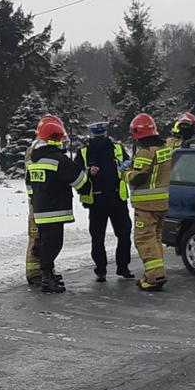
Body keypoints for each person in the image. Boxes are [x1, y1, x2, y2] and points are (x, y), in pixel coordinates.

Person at [26, 118, 88, 293]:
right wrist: (88, 187)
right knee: (53, 245)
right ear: (55, 139)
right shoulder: (59, 160)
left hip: (39, 210)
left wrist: (35, 201)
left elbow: (30, 185)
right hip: (55, 211)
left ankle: (49, 275)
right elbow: (80, 180)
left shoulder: (33, 160)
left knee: (46, 243)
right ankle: (47, 279)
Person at [124, 113, 176, 292]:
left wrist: (125, 173)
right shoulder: (164, 148)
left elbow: (138, 177)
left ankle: (154, 277)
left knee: (144, 239)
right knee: (155, 239)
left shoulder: (145, 151)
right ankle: (155, 273)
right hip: (161, 203)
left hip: (146, 205)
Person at [77, 121, 132, 282]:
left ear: (106, 134)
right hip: (96, 201)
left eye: (101, 135)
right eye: (97, 135)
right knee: (97, 237)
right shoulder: (84, 152)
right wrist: (88, 171)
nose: (99, 137)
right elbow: (76, 175)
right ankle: (100, 269)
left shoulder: (118, 149)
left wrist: (124, 168)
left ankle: (123, 267)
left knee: (124, 234)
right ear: (92, 135)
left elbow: (128, 166)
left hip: (117, 199)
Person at [24, 114, 62, 286]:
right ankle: (34, 272)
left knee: (44, 237)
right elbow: (32, 179)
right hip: (38, 201)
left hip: (41, 199)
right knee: (37, 236)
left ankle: (45, 269)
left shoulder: (39, 149)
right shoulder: (34, 152)